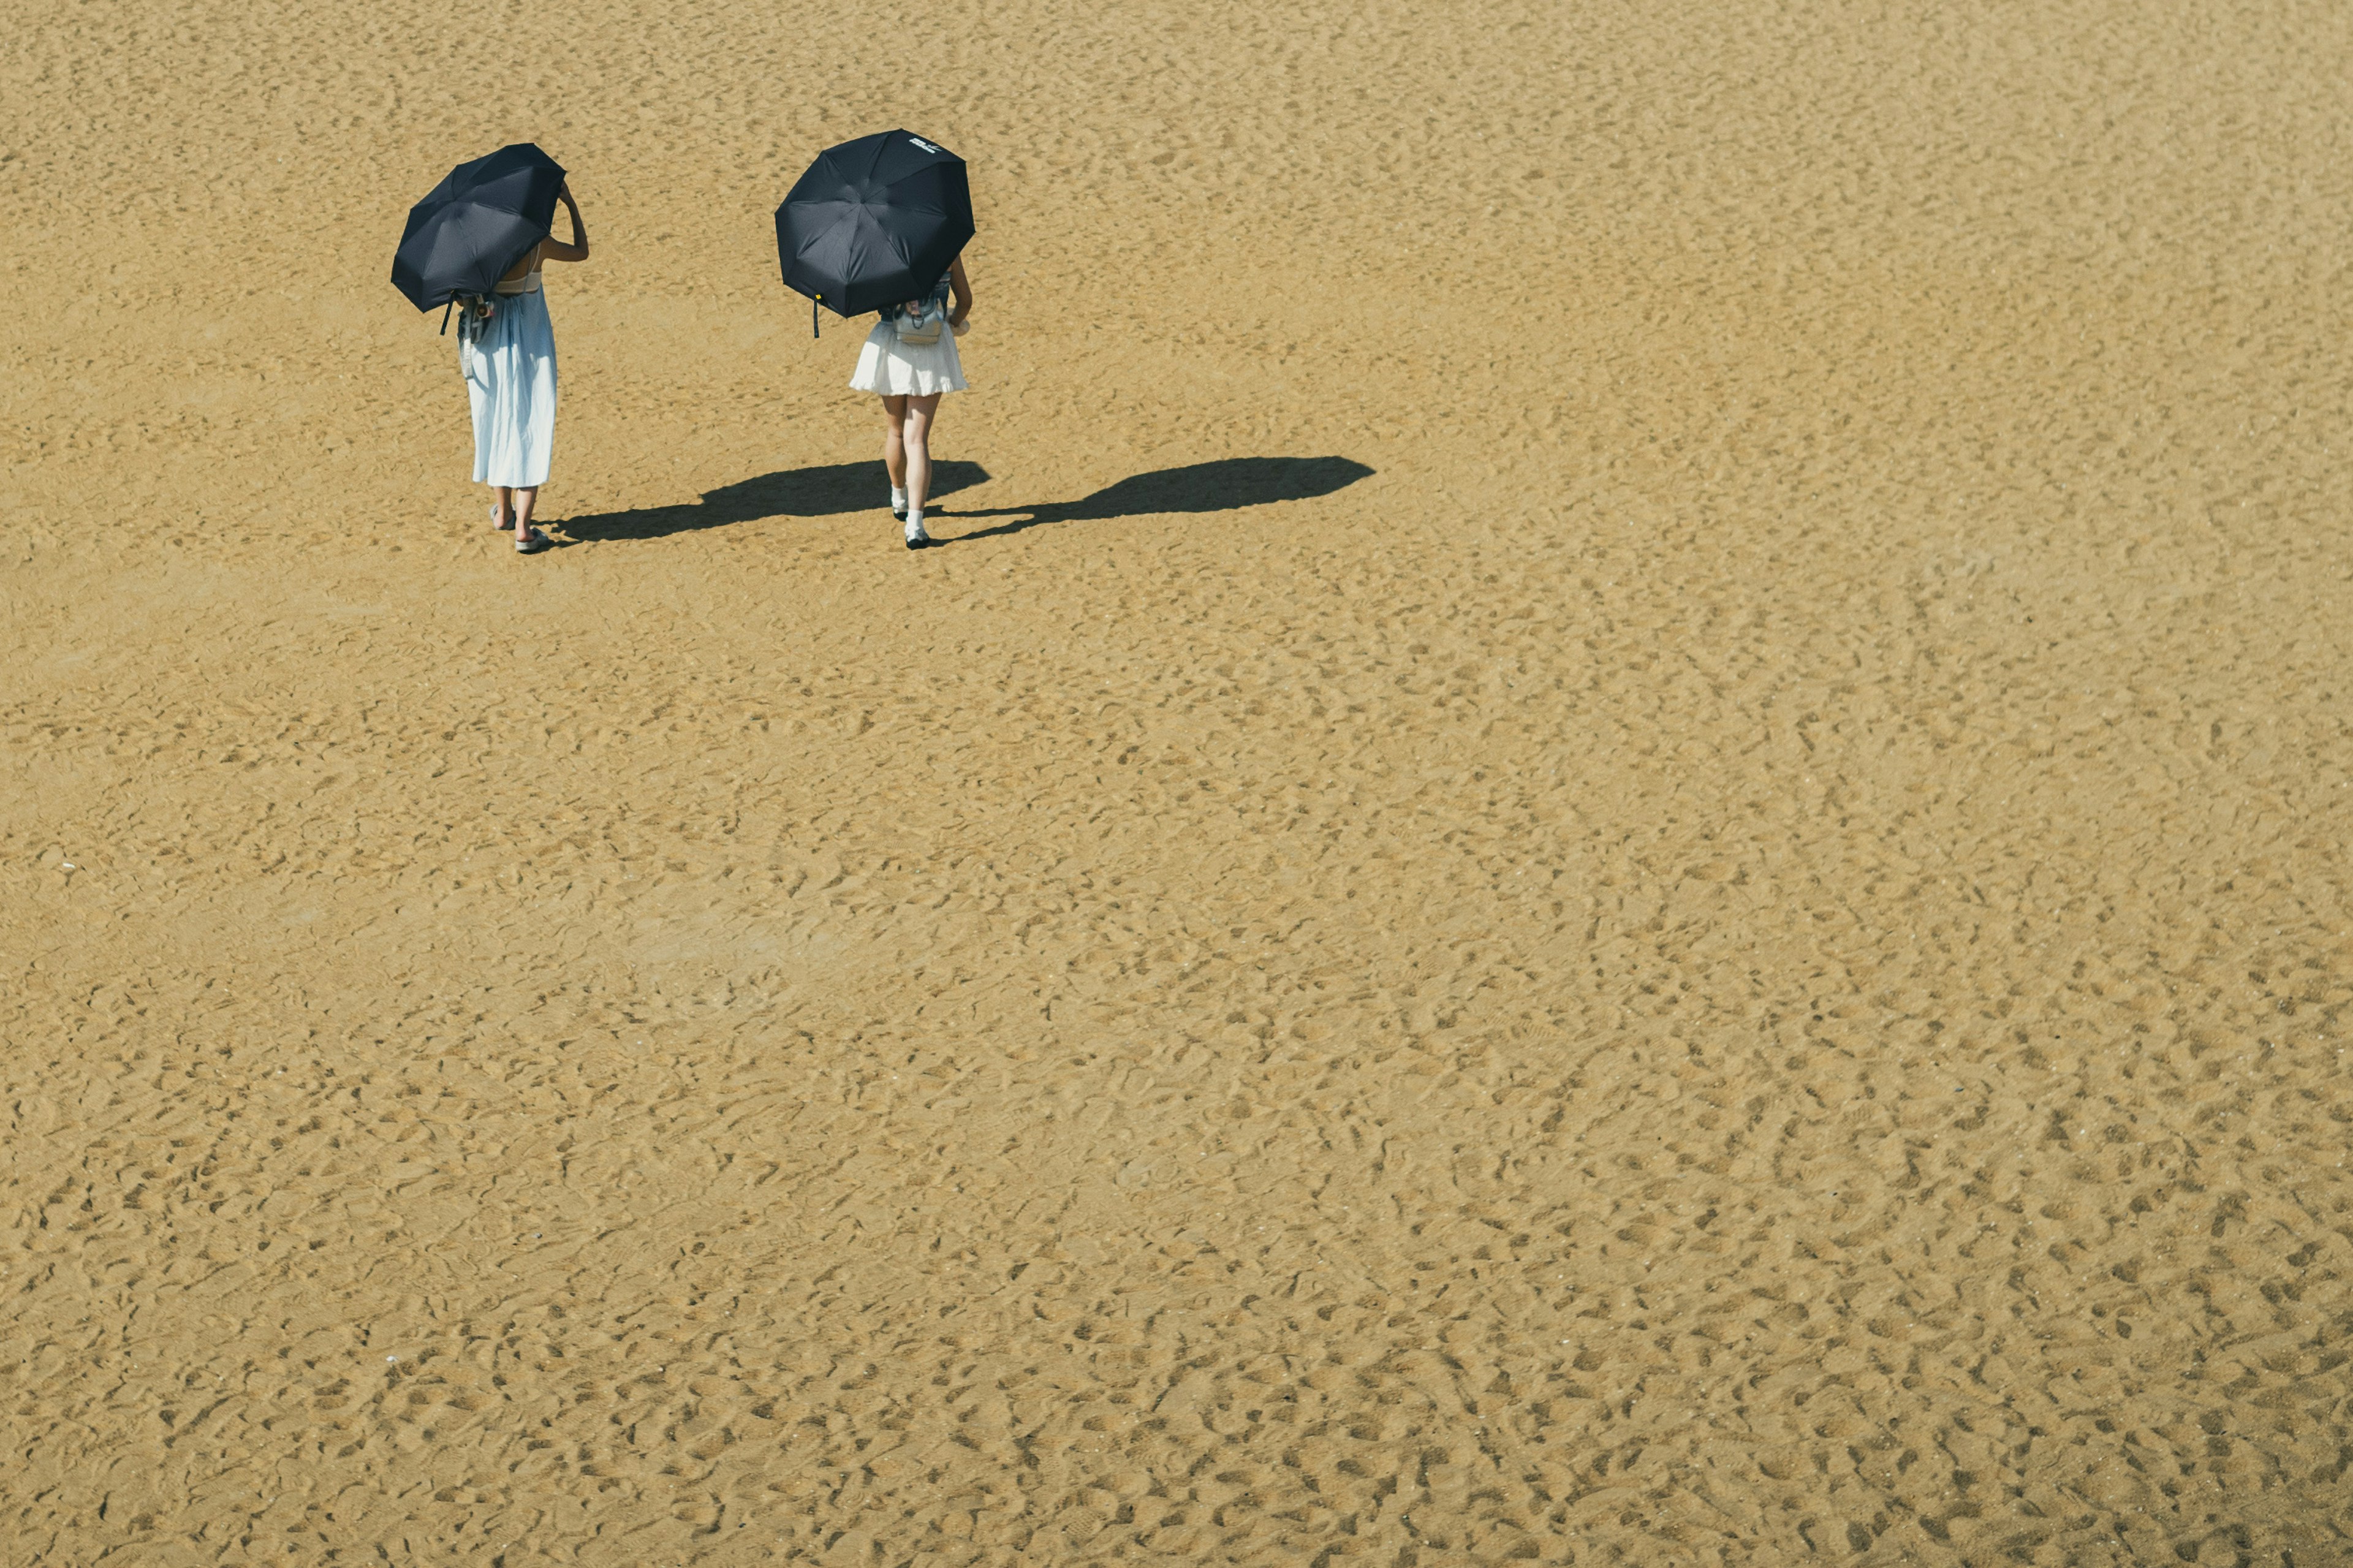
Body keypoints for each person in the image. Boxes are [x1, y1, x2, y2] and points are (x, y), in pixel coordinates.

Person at [464, 181, 589, 555]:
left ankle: (503, 513)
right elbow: (582, 252)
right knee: (529, 420)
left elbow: (464, 295)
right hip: (531, 338)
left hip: (490, 340)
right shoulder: (538, 242)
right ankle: (522, 528)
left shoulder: (484, 245)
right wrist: (570, 204)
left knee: (495, 417)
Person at [850, 255, 971, 549]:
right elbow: (965, 301)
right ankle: (915, 526)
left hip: (891, 344)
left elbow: (865, 299)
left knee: (896, 431)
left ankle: (898, 498)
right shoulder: (949, 251)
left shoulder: (881, 254)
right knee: (917, 440)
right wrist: (953, 323)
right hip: (931, 342)